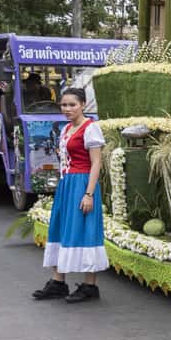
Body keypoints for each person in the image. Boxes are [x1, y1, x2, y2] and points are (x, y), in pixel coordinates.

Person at [32, 88, 109, 303]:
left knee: (85, 229)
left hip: (83, 183)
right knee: (60, 227)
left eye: (72, 105)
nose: (67, 109)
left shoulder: (90, 128)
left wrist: (89, 194)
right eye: (64, 105)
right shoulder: (66, 129)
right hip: (67, 185)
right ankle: (58, 282)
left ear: (83, 104)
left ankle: (90, 286)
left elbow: (96, 163)